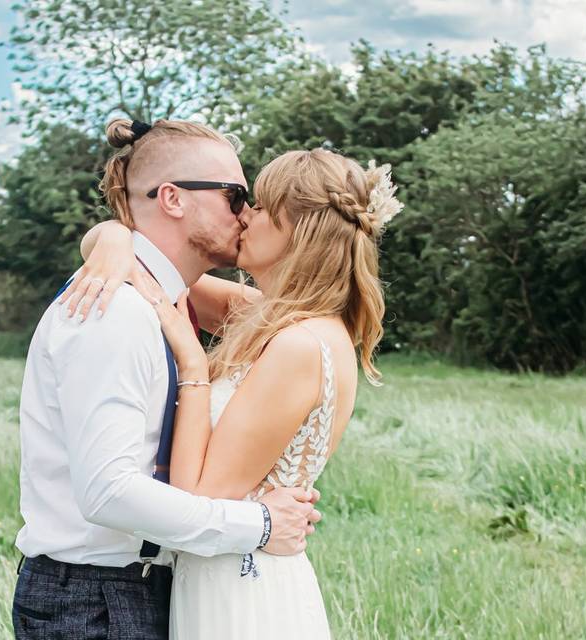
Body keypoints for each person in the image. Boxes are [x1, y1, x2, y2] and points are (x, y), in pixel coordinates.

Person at [63, 128, 403, 638]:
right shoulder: (266, 317)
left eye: (260, 206)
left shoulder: (301, 345)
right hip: (218, 573)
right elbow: (154, 266)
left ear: (298, 231)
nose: (245, 215)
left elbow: (198, 495)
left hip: (243, 591)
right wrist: (111, 237)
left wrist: (194, 368)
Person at [12, 119, 321, 640]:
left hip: (135, 589)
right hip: (96, 600)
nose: (246, 213)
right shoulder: (115, 307)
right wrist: (260, 526)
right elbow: (108, 492)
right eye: (234, 195)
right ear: (174, 199)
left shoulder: (171, 294)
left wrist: (109, 235)